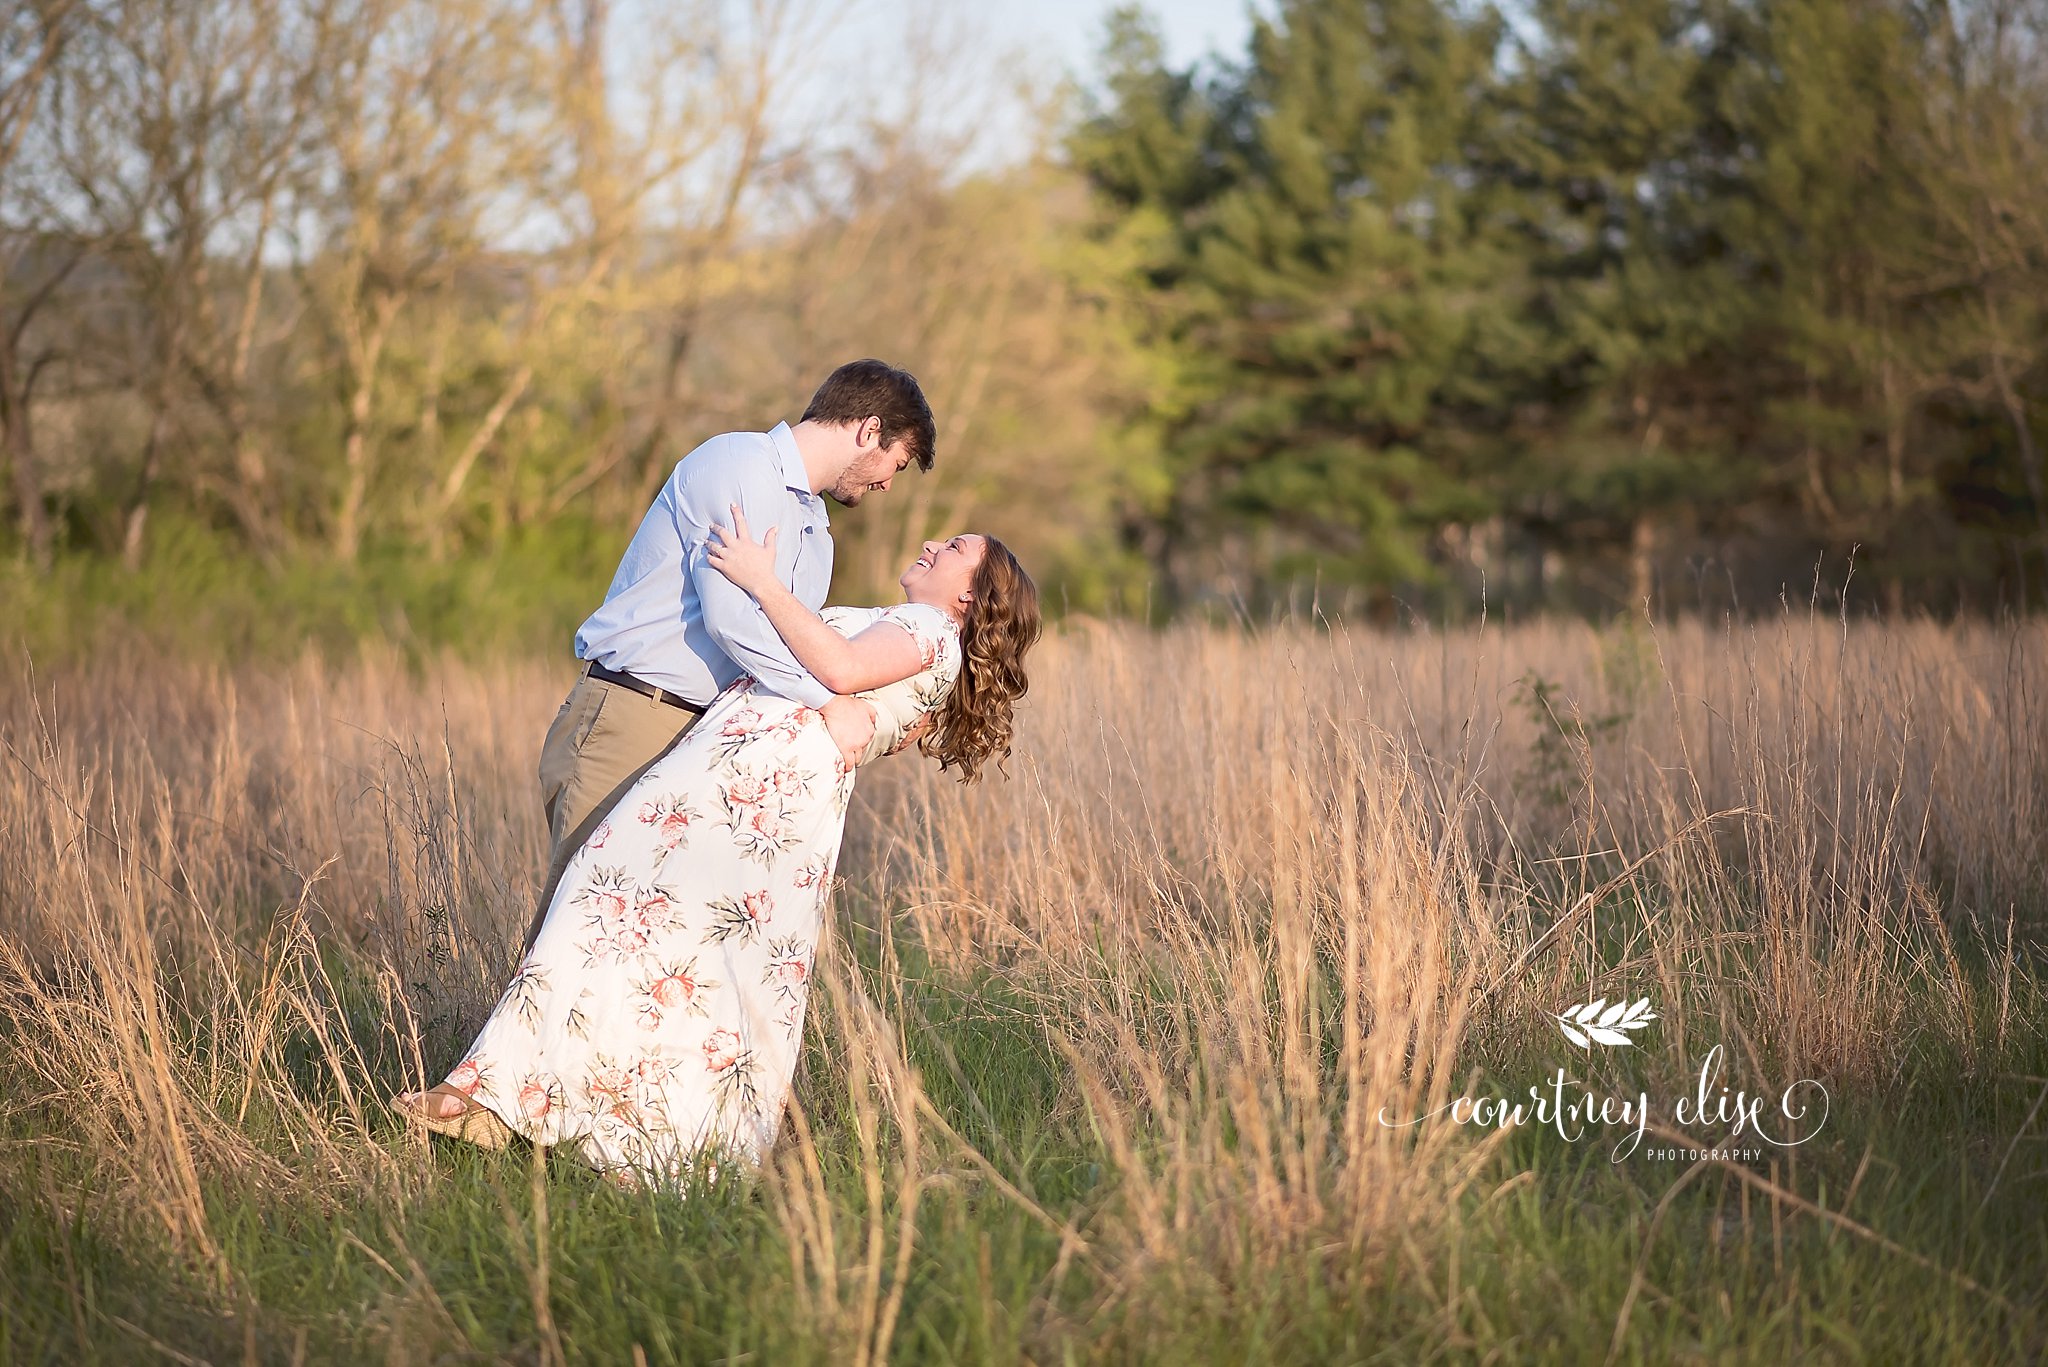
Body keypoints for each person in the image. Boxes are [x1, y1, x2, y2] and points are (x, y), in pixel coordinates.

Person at [395, 515, 1041, 1187]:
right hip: (765, 794)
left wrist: (761, 579)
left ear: (968, 599)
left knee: (604, 895)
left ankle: (511, 1097)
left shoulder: (927, 630)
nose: (936, 543)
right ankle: (609, 1128)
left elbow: (842, 666)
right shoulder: (925, 641)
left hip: (749, 789)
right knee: (688, 958)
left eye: (957, 550)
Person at [519, 359, 936, 958]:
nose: (887, 485)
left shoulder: (815, 529)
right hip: (634, 717)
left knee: (641, 956)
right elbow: (733, 619)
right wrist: (828, 702)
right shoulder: (740, 465)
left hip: (701, 741)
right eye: (894, 465)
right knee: (572, 945)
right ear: (869, 432)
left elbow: (799, 641)